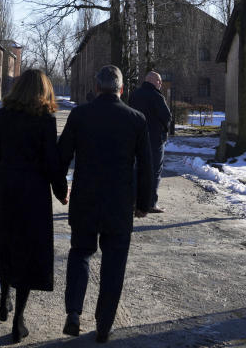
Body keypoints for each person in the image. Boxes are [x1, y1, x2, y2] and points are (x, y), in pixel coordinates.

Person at [58, 65, 153, 343]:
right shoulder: (136, 119)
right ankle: (104, 325)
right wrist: (144, 203)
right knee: (114, 263)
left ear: (97, 88)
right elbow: (146, 167)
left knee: (80, 253)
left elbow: (62, 154)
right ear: (121, 89)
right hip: (119, 203)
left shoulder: (80, 115)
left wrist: (60, 187)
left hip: (85, 199)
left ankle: (74, 312)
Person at [0, 68, 68, 344]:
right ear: (44, 91)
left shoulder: (1, 116)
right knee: (28, 251)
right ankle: (19, 318)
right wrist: (60, 190)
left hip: (6, 187)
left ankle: (4, 297)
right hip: (33, 192)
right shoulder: (44, 120)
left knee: (6, 243)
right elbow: (50, 160)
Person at [128, 70, 171, 214]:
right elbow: (167, 117)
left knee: (136, 170)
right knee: (153, 171)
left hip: (136, 138)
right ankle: (151, 203)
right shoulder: (157, 96)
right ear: (153, 81)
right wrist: (164, 130)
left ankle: (134, 201)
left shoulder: (134, 95)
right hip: (154, 140)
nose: (160, 83)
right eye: (159, 81)